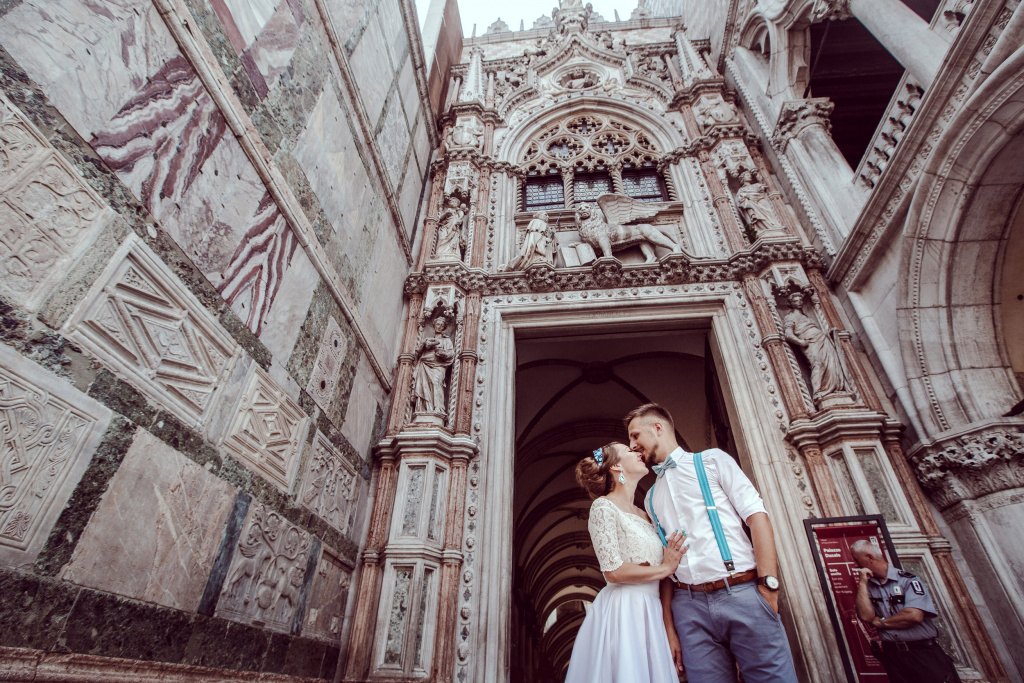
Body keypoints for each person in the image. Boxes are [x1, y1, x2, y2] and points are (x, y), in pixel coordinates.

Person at [626, 403, 798, 683]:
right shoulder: (651, 497)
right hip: (689, 607)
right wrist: (670, 625)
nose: (632, 445)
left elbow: (757, 517)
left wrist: (768, 588)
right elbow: (666, 566)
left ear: (657, 428)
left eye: (635, 436)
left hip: (741, 592)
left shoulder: (712, 461)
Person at [564, 442, 688, 683]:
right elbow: (613, 571)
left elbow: (664, 575)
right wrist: (665, 567)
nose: (638, 452)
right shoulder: (603, 507)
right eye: (630, 451)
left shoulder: (646, 514)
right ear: (616, 466)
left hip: (653, 610)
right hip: (625, 610)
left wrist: (669, 627)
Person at [851, 540, 962, 683]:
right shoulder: (868, 587)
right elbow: (866, 616)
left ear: (870, 557)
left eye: (856, 559)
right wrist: (862, 583)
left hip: (922, 654)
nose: (855, 565)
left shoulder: (908, 581)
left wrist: (881, 623)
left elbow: (913, 616)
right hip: (894, 656)